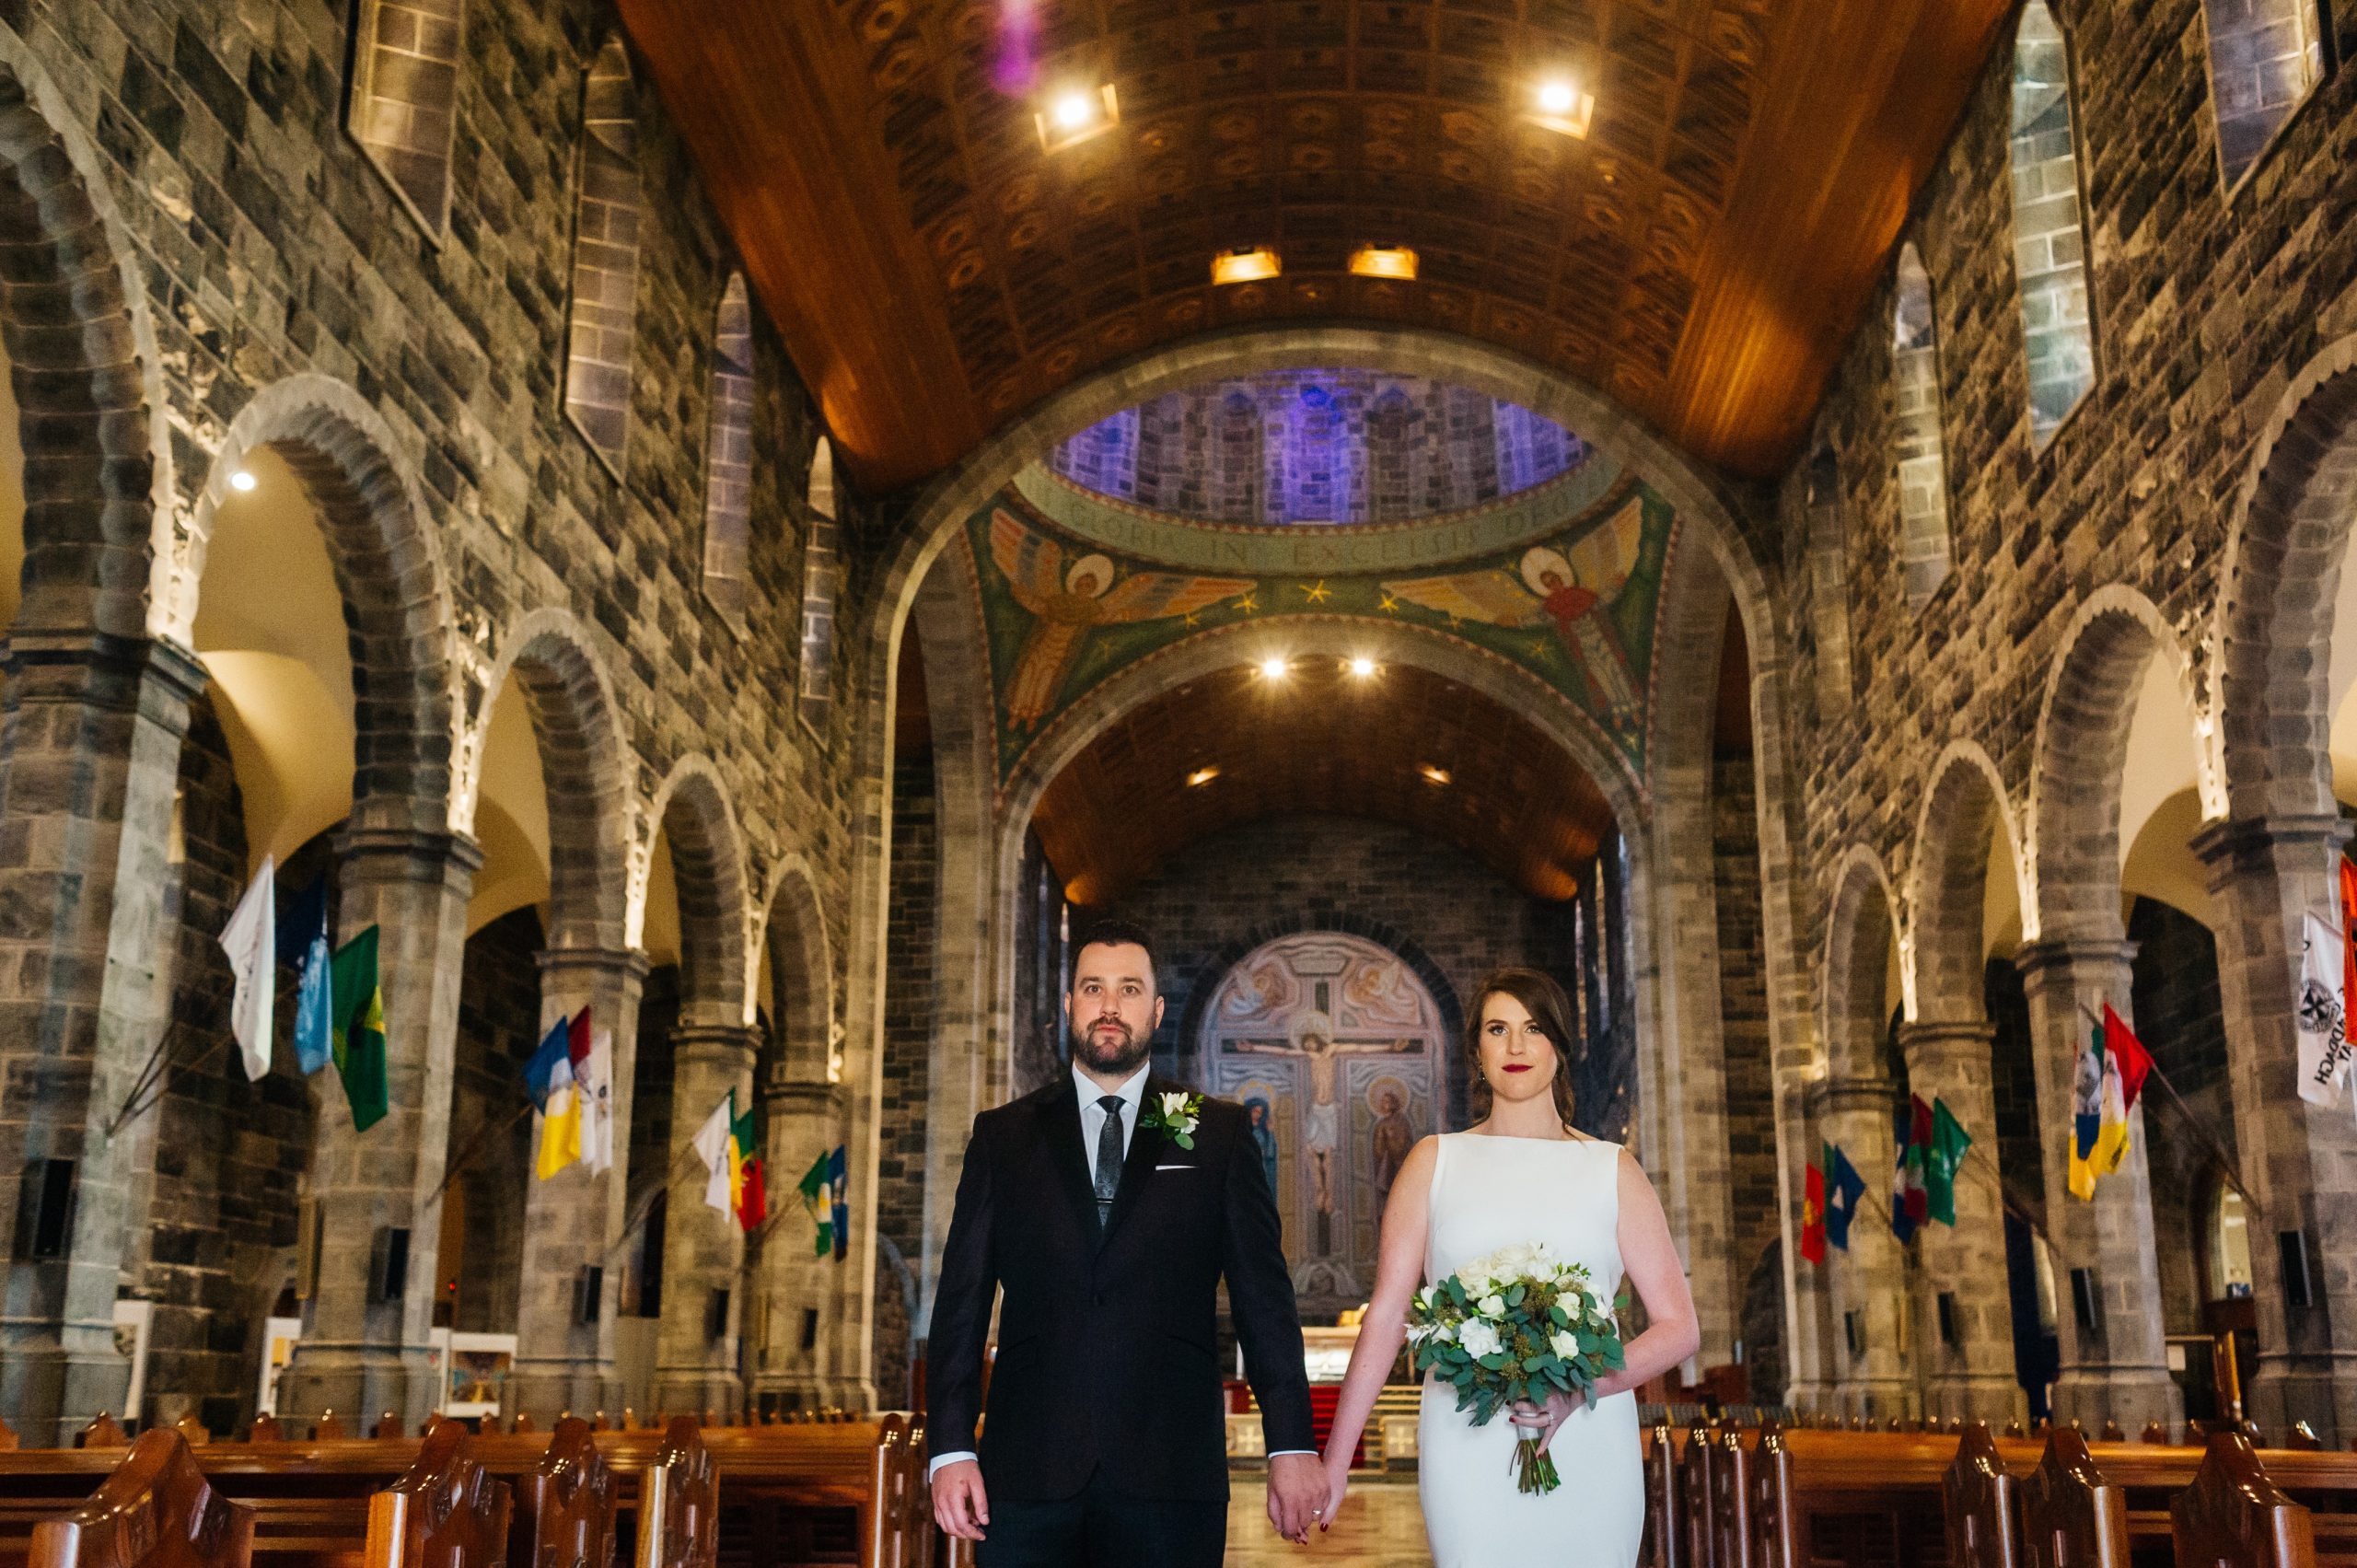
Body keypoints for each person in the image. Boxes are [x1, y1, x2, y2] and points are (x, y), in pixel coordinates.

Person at [927, 919, 1329, 1566]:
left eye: (1130, 989)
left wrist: (1291, 1443)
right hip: (1028, 1468)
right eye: (1093, 987)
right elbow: (961, 1301)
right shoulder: (1004, 1136)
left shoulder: (1217, 1132)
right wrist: (951, 1447)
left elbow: (1265, 1299)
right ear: (1069, 1005)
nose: (1110, 1006)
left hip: (1171, 1468)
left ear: (1157, 1009)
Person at [1313, 968, 1700, 1568]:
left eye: (1534, 1028)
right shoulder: (1433, 1161)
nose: (1516, 1046)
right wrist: (1336, 1461)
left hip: (1588, 1434)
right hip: (1466, 1434)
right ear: (1477, 1050)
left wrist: (1580, 1389)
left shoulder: (1612, 1168)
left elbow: (1679, 1327)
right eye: (1499, 1028)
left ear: (1559, 1048)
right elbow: (1387, 1315)